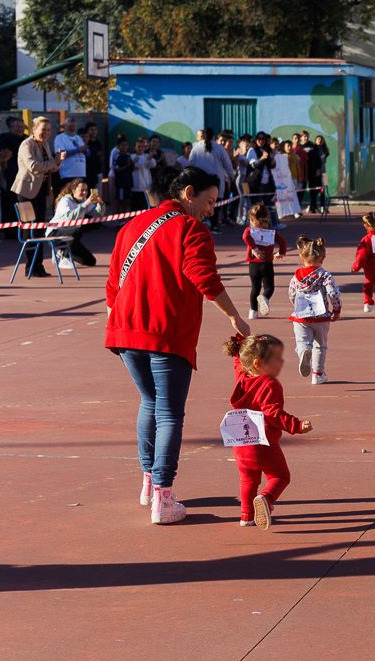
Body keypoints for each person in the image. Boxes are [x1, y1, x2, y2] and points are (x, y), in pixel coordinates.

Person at [106, 167, 251, 524]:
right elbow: (204, 277)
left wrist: (122, 318)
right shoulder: (190, 229)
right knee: (170, 412)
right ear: (189, 193)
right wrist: (234, 317)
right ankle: (163, 497)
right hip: (167, 332)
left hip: (126, 331)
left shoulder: (132, 226)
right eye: (209, 201)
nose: (211, 210)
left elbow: (112, 285)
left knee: (149, 402)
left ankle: (147, 484)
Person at [223, 333, 311, 530]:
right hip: (263, 443)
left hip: (241, 442)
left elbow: (238, 365)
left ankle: (246, 516)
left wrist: (238, 353)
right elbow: (273, 414)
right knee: (280, 476)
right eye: (276, 358)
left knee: (248, 479)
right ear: (258, 362)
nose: (281, 362)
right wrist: (296, 425)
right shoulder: (270, 384)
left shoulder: (242, 377)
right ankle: (266, 498)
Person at [288, 235, 342, 385]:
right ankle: (317, 374)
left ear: (301, 256)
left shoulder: (296, 276)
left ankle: (304, 353)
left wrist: (296, 306)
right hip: (321, 316)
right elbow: (333, 293)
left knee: (302, 341)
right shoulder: (325, 275)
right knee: (320, 345)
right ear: (323, 258)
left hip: (301, 316)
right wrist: (336, 310)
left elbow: (291, 293)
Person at [10, 116, 59, 276]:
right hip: (26, 192)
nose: (46, 133)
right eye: (43, 129)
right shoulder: (26, 145)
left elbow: (52, 167)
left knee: (39, 229)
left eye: (49, 130)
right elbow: (33, 166)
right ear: (34, 129)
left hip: (41, 192)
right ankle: (29, 267)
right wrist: (55, 162)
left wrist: (58, 162)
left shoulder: (45, 144)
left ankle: (38, 266)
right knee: (29, 230)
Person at [241, 204, 288, 319]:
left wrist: (254, 248)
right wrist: (281, 252)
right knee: (269, 287)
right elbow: (282, 242)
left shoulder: (250, 231)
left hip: (253, 265)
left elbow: (245, 236)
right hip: (266, 264)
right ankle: (265, 298)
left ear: (251, 219)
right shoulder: (271, 232)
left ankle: (253, 311)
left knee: (255, 288)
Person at [47, 177, 105, 268]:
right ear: (73, 190)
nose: (85, 193)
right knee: (77, 229)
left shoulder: (84, 201)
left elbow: (98, 214)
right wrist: (86, 204)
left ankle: (63, 253)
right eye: (81, 190)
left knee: (90, 261)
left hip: (70, 236)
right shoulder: (65, 201)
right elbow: (71, 217)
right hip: (55, 232)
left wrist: (100, 203)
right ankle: (62, 256)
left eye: (86, 190)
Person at [54, 117, 87, 190]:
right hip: (68, 175)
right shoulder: (60, 138)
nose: (72, 128)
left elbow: (85, 152)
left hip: (81, 174)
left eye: (74, 126)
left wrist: (86, 150)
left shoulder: (78, 137)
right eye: (70, 126)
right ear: (65, 126)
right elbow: (62, 155)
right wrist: (78, 150)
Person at [130, 137, 155, 205]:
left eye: (142, 147)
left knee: (147, 206)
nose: (140, 148)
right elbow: (138, 165)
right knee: (136, 207)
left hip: (147, 187)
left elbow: (153, 165)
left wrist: (149, 158)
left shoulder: (147, 155)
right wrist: (148, 159)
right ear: (135, 148)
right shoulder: (132, 157)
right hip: (136, 188)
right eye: (138, 147)